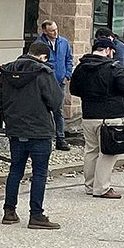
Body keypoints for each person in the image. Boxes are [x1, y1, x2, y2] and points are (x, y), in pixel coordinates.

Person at [0, 41, 63, 229]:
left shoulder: (6, 72)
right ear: (43, 57)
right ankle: (36, 215)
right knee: (39, 173)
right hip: (40, 130)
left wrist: (11, 120)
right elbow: (56, 102)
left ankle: (9, 211)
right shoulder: (43, 73)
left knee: (15, 170)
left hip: (16, 129)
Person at [69, 36, 124, 199]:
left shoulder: (81, 67)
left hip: (88, 115)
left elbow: (74, 90)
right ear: (108, 50)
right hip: (110, 116)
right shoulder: (112, 67)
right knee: (108, 152)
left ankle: (90, 186)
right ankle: (102, 188)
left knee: (91, 150)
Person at [36, 20, 73, 151]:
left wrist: (67, 75)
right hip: (45, 81)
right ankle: (44, 138)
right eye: (52, 30)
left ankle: (60, 139)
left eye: (56, 29)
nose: (55, 32)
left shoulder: (64, 42)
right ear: (45, 31)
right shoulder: (39, 44)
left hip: (60, 81)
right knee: (43, 109)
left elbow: (69, 59)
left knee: (59, 110)